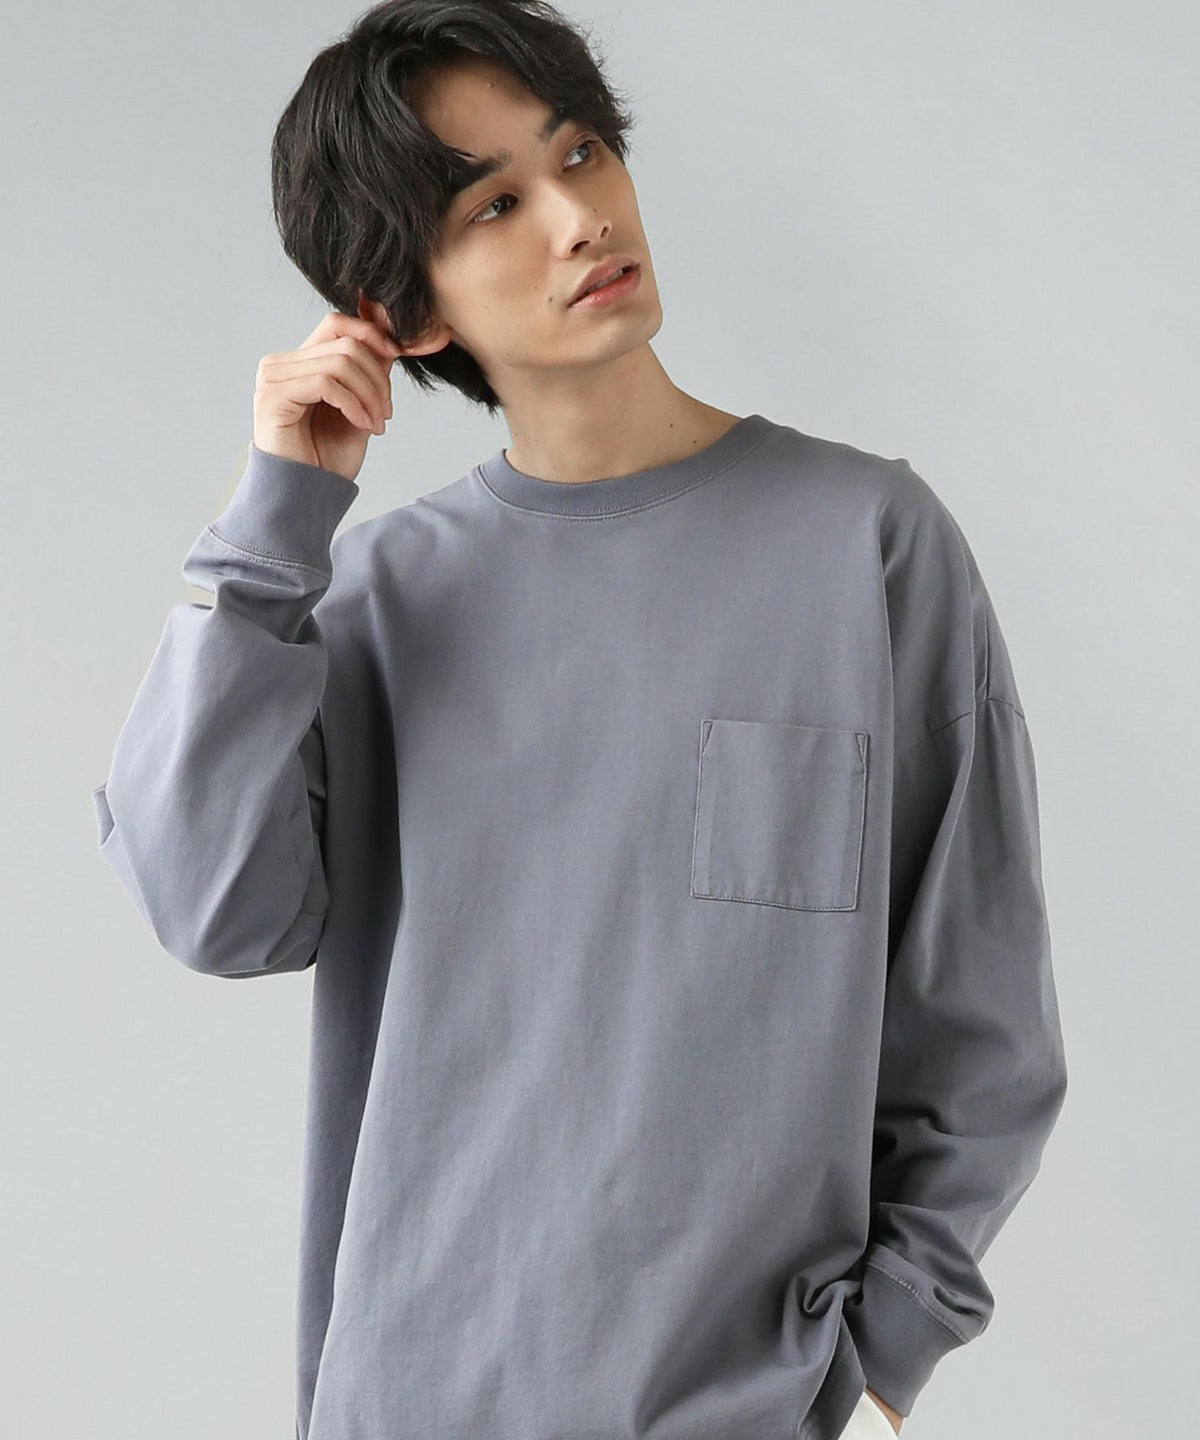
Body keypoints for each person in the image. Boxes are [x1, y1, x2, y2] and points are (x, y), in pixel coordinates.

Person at [90, 3, 1069, 1438]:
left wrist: (875, 1371)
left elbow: (981, 1026)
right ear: (406, 309)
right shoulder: (373, 604)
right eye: (495, 204)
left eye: (582, 154)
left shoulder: (865, 545)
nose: (579, 218)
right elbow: (211, 909)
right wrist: (272, 531)